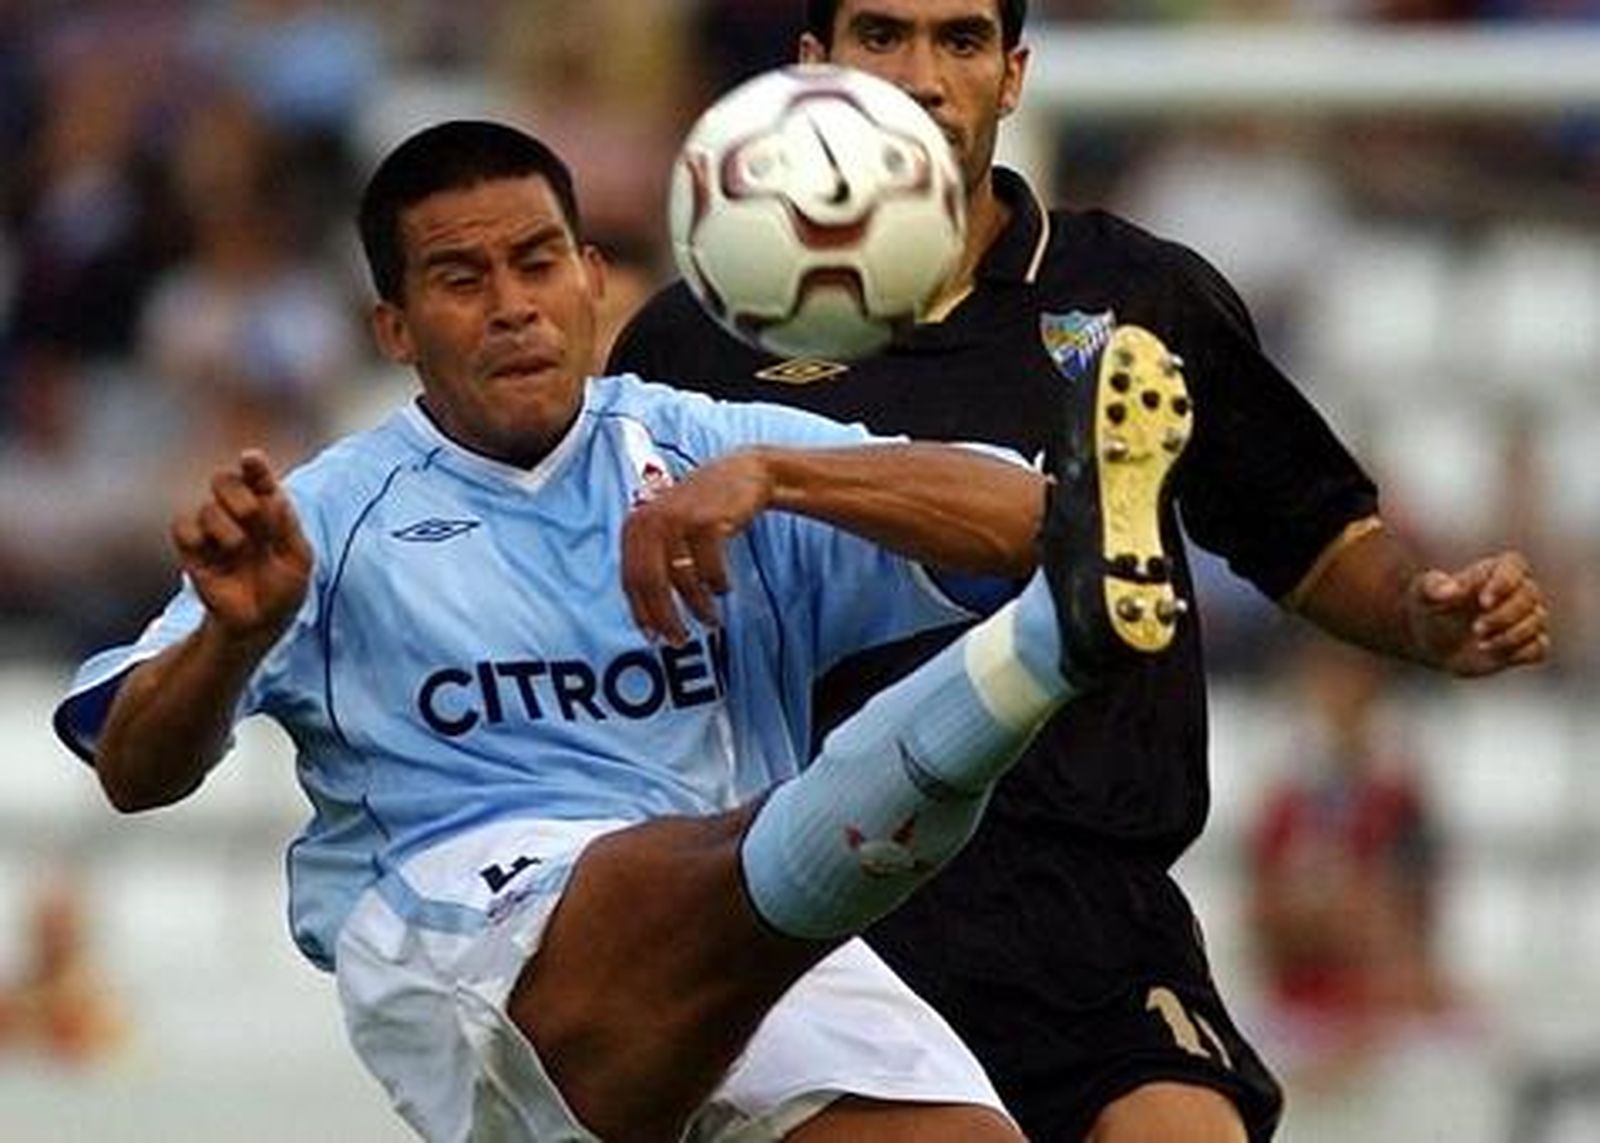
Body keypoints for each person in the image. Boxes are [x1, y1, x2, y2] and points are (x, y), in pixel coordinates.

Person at [51, 118, 1209, 1141]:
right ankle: (1044, 661)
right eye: (460, 278)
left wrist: (782, 476)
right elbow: (132, 767)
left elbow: (1043, 521)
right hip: (470, 939)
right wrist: (235, 638)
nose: (511, 305)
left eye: (536, 261)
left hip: (755, 942)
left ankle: (1025, 668)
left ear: (592, 278)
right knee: (662, 873)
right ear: (394, 327)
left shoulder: (703, 446)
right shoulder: (325, 520)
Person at [607, 2, 1553, 1139]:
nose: (921, 77)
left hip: (1089, 904)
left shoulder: (1136, 297)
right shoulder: (694, 341)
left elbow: (1310, 536)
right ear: (810, 70)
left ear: (1012, 76)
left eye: (959, 41)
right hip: (825, 909)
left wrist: (1419, 611)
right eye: (881, 36)